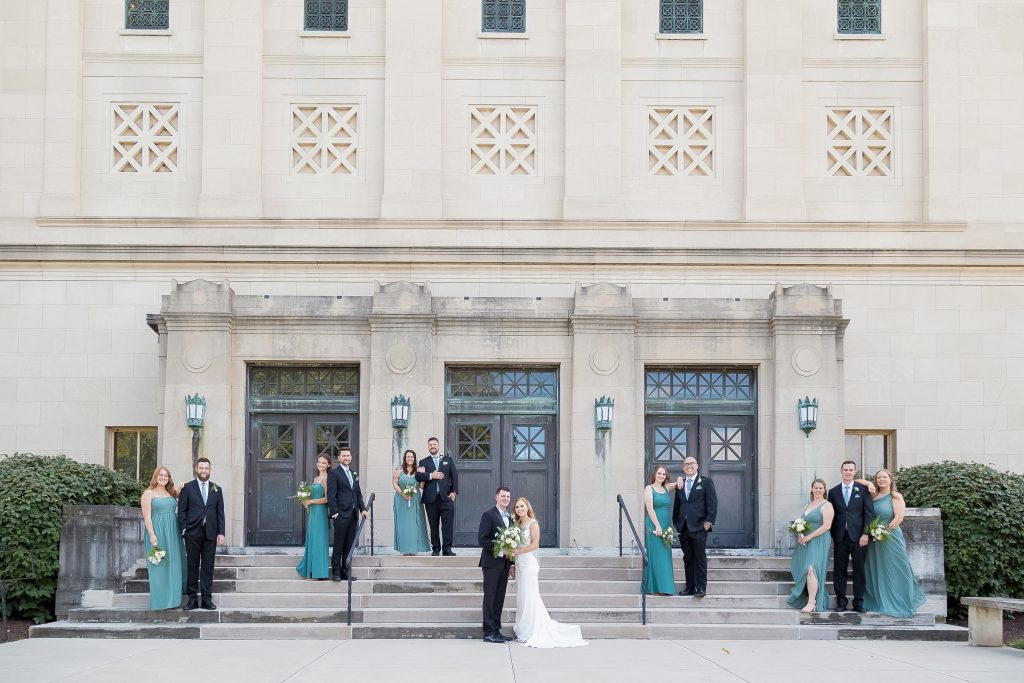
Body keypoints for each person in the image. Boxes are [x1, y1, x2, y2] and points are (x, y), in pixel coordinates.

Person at [510, 496, 587, 648]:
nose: (520, 509)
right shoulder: (517, 524)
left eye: (522, 506)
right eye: (517, 507)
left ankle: (531, 631)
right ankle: (523, 629)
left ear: (527, 507)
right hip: (519, 565)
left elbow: (535, 545)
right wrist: (513, 562)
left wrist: (518, 550)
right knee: (522, 597)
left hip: (529, 565)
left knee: (530, 596)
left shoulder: (533, 524)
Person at [863, 469, 926, 617]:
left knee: (898, 568)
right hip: (875, 540)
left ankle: (900, 601)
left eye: (884, 477)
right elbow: (857, 481)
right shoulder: (873, 496)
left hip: (890, 537)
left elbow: (898, 518)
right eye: (878, 478)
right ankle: (879, 601)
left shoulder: (895, 496)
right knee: (878, 569)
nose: (882, 480)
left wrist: (882, 532)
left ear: (890, 480)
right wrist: (867, 482)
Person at [177, 457, 225, 611]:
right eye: (201, 468)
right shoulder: (188, 488)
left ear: (210, 470)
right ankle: (192, 599)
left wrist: (221, 533)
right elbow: (182, 510)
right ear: (196, 469)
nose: (204, 471)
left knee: (208, 567)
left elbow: (220, 512)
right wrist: (184, 529)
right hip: (192, 533)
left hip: (210, 533)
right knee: (192, 565)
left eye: (206, 468)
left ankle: (206, 599)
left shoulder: (217, 489)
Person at [827, 460, 875, 613]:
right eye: (845, 469)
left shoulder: (862, 489)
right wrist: (832, 537)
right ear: (841, 471)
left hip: (859, 537)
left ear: (855, 472)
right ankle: (841, 602)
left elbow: (869, 514)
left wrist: (866, 534)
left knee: (859, 570)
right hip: (840, 537)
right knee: (839, 570)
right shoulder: (833, 492)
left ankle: (858, 603)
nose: (848, 472)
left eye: (851, 470)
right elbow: (831, 516)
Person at [140, 466, 186, 610]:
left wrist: (180, 487)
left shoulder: (171, 493)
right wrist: (152, 535)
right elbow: (147, 516)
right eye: (160, 475)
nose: (163, 477)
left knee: (174, 564)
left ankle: (174, 600)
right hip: (157, 532)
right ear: (155, 476)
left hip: (173, 532)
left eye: (166, 475)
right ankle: (161, 602)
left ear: (169, 478)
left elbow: (180, 494)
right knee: (159, 566)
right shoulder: (149, 493)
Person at [787, 479, 835, 613]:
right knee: (805, 568)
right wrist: (799, 534)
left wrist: (809, 536)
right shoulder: (807, 505)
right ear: (812, 489)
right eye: (816, 488)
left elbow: (827, 526)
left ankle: (812, 602)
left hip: (819, 540)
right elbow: (801, 522)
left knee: (811, 568)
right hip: (805, 541)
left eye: (821, 488)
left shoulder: (827, 505)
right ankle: (807, 596)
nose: (818, 490)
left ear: (825, 490)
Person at [672, 456, 717, 598]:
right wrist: (676, 522)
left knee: (700, 558)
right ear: (683, 467)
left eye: (692, 463)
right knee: (688, 558)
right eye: (686, 464)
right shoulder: (681, 483)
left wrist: (708, 522)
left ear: (697, 466)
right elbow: (677, 505)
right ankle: (689, 587)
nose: (689, 466)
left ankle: (701, 588)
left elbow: (712, 503)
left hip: (699, 527)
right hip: (684, 527)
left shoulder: (706, 482)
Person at [478, 486, 515, 643]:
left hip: (505, 565)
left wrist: (512, 563)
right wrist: (501, 550)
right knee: (490, 598)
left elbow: (513, 544)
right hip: (491, 564)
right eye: (503, 496)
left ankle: (497, 630)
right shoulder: (488, 515)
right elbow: (482, 539)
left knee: (499, 598)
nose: (505, 498)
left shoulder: (511, 518)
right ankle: (488, 632)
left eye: (507, 496)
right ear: (496, 497)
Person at [328, 446, 367, 582]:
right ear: (339, 458)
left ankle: (345, 572)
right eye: (343, 456)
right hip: (341, 515)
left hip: (353, 514)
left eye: (348, 455)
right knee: (338, 545)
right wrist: (335, 514)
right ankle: (336, 573)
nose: (346, 458)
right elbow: (331, 496)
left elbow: (358, 493)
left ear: (351, 457)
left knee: (349, 545)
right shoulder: (334, 473)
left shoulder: (354, 473)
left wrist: (363, 509)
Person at [415, 437, 459, 556]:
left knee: (447, 525)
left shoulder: (447, 460)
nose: (432, 446)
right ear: (428, 447)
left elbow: (454, 476)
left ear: (438, 446)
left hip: (446, 498)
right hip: (430, 499)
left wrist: (454, 492)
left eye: (434, 444)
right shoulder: (423, 462)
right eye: (430, 445)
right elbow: (418, 477)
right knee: (433, 525)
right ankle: (435, 548)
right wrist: (430, 475)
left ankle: (447, 549)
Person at [642, 465, 680, 595]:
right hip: (654, 525)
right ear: (655, 474)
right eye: (659, 473)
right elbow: (650, 508)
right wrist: (657, 526)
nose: (661, 476)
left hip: (666, 525)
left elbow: (678, 484)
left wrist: (680, 478)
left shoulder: (666, 487)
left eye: (664, 474)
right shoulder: (649, 488)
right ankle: (654, 588)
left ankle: (665, 588)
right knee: (656, 556)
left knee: (665, 556)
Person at [295, 455, 331, 579]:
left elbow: (327, 499)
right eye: (319, 462)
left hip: (321, 512)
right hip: (313, 512)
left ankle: (319, 572)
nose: (321, 464)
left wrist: (311, 502)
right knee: (312, 539)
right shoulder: (316, 479)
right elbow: (312, 496)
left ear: (328, 465)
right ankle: (310, 570)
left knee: (319, 540)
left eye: (324, 462)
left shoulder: (326, 478)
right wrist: (305, 500)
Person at [392, 449, 430, 555]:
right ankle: (404, 549)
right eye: (408, 457)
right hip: (401, 500)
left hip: (415, 500)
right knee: (403, 524)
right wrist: (403, 494)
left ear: (414, 458)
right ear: (404, 458)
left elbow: (421, 487)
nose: (410, 458)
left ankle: (414, 549)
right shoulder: (398, 470)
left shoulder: (418, 471)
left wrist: (423, 476)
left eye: (412, 457)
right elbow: (394, 484)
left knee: (414, 524)